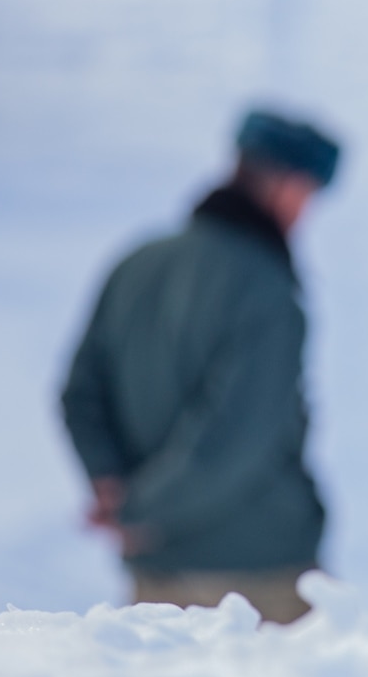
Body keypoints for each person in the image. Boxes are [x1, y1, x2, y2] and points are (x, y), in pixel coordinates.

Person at [60, 108, 340, 625]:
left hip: (156, 576)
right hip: (260, 575)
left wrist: (110, 482)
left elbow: (81, 393)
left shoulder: (136, 263)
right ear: (288, 187)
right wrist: (139, 511)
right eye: (309, 197)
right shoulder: (268, 290)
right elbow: (238, 435)